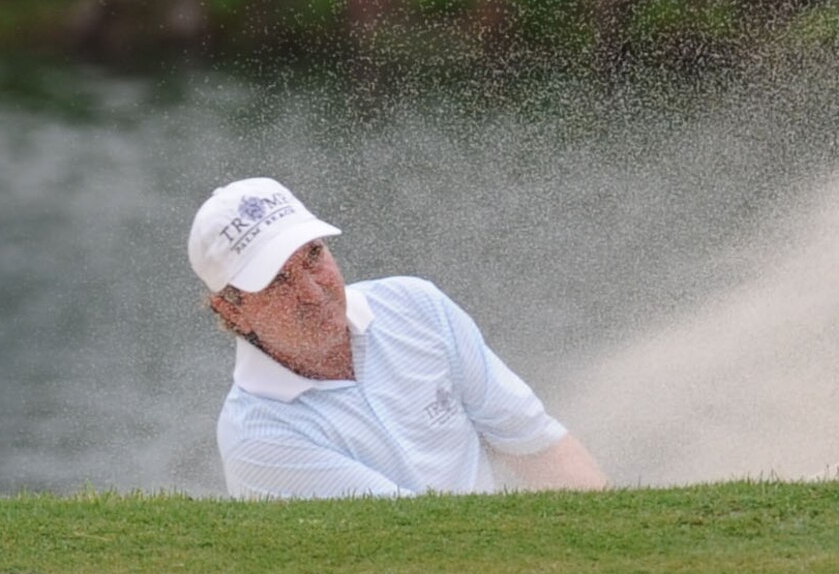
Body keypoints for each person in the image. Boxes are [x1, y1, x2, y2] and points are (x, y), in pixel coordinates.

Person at [188, 177, 606, 499]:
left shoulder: (416, 306)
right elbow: (415, 534)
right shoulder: (257, 437)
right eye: (278, 280)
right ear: (233, 311)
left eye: (314, 256)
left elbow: (536, 444)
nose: (313, 293)